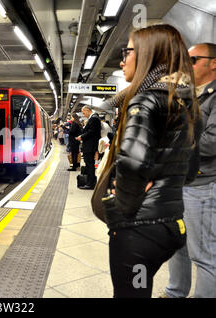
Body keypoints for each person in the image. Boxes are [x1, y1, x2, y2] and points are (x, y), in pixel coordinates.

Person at [97, 24, 201, 298]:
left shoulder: (144, 100)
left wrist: (123, 211)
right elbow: (190, 170)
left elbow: (133, 163)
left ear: (148, 55)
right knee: (139, 290)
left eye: (127, 51)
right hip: (171, 226)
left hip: (139, 234)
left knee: (130, 295)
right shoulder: (185, 102)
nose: (122, 60)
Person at [163, 42, 216, 298]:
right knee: (177, 244)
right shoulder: (192, 94)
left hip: (203, 185)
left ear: (213, 63)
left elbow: (211, 142)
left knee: (204, 254)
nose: (187, 66)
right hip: (180, 182)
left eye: (193, 60)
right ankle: (175, 293)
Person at [76, 105, 101, 189]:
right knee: (89, 164)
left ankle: (90, 184)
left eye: (84, 113)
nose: (84, 115)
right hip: (89, 145)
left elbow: (92, 132)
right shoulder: (94, 118)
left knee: (90, 165)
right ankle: (90, 182)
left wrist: (82, 137)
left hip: (90, 146)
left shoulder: (94, 118)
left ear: (87, 110)